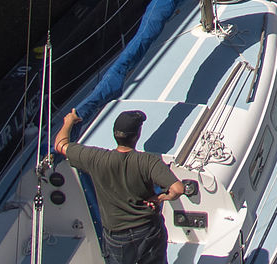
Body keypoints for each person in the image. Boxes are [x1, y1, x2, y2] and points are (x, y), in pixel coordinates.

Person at [53, 108, 184, 264]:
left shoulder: (95, 158)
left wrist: (69, 121)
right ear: (137, 136)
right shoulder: (148, 161)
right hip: (148, 230)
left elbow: (60, 145)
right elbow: (178, 189)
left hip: (117, 237)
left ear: (115, 134)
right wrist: (159, 197)